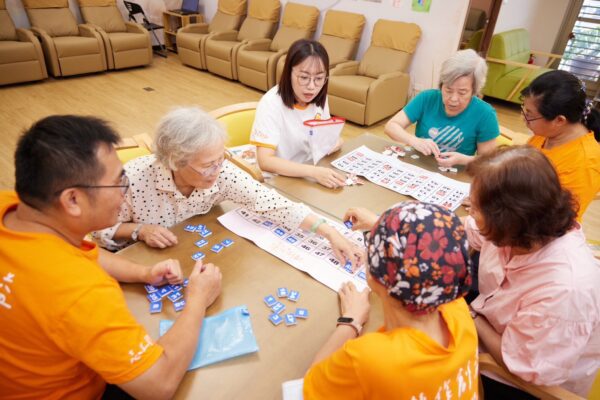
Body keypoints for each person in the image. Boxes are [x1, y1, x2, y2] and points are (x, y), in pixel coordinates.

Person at [0, 115, 222, 399]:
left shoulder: (15, 206)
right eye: (118, 181)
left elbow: (77, 254)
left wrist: (142, 273)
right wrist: (197, 301)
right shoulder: (81, 291)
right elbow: (158, 385)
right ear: (72, 200)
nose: (126, 191)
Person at [93, 107, 362, 267]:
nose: (217, 171)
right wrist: (140, 230)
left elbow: (270, 202)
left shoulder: (220, 172)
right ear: (175, 161)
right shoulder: (133, 179)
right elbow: (99, 231)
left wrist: (328, 232)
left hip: (187, 255)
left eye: (220, 159)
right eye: (208, 165)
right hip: (132, 263)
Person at [304, 202, 477, 399]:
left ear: (373, 276)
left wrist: (350, 323)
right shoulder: (458, 309)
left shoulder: (369, 359)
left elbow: (309, 387)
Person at [466, 146, 600, 398]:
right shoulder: (518, 231)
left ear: (507, 220)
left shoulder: (565, 288)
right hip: (492, 329)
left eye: (475, 208)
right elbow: (469, 231)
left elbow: (521, 367)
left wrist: (471, 316)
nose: (470, 214)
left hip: (522, 383)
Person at [250, 39, 346, 189]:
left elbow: (324, 138)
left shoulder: (319, 98)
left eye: (319, 78)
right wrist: (313, 172)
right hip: (279, 179)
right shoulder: (271, 103)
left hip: (310, 172)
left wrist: (334, 141)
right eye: (304, 77)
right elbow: (266, 161)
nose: (312, 87)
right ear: (289, 73)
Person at [385, 49, 500, 167]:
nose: (453, 98)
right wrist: (413, 141)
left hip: (457, 172)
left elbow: (488, 162)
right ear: (441, 85)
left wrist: (463, 160)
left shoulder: (485, 114)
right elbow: (391, 126)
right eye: (448, 90)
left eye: (462, 92)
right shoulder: (427, 98)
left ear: (474, 91)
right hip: (419, 166)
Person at [520, 69, 600, 220]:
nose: (523, 118)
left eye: (529, 114)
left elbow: (558, 222)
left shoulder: (585, 163)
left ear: (559, 120)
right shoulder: (544, 136)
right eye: (524, 109)